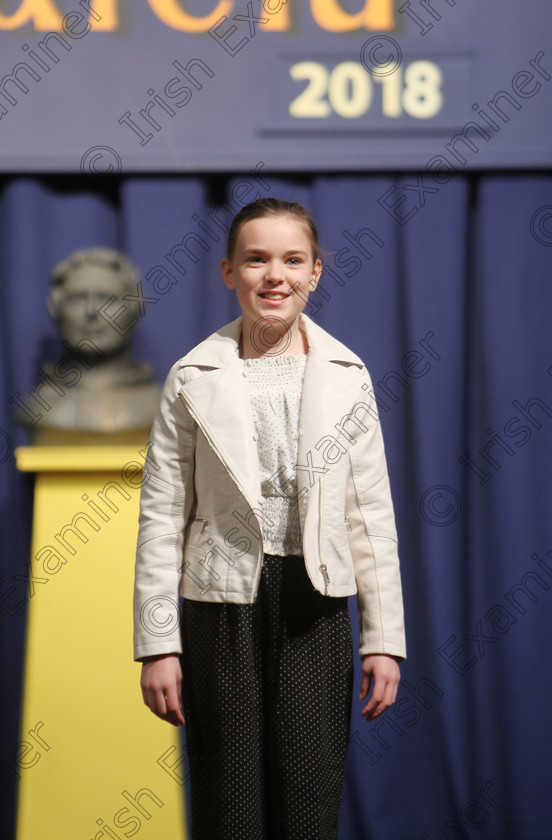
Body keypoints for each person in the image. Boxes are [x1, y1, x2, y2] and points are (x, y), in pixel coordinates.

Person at [133, 198, 406, 840]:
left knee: (308, 800)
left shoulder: (348, 376)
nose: (274, 275)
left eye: (293, 260)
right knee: (230, 804)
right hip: (219, 605)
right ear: (229, 272)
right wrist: (157, 643)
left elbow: (370, 516)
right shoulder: (191, 376)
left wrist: (383, 638)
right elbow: (161, 517)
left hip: (315, 606)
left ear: (315, 273)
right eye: (256, 259)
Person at [14, 247, 160, 443]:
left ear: (135, 307)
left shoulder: (161, 407)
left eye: (108, 299)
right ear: (55, 308)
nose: (92, 311)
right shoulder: (38, 407)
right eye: (78, 299)